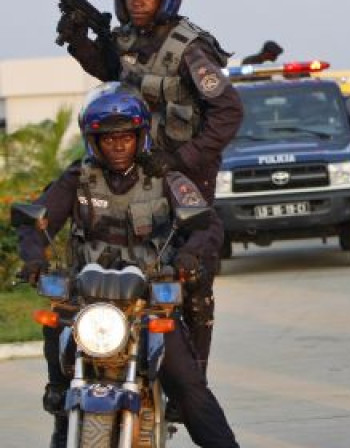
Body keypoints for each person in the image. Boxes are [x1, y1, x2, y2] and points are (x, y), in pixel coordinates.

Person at [17, 82, 239, 448]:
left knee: (188, 385)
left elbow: (207, 222)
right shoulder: (78, 179)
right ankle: (59, 395)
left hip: (149, 301)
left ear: (140, 137)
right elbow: (36, 220)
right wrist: (34, 259)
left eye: (125, 137)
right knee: (59, 335)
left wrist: (190, 255)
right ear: (94, 141)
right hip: (90, 299)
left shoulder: (166, 176)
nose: (118, 145)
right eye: (108, 138)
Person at [56, 0, 244, 386]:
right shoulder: (125, 39)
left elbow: (228, 111)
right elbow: (111, 72)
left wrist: (181, 160)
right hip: (127, 168)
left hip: (184, 178)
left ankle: (191, 383)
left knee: (193, 274)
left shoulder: (190, 47)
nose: (137, 1)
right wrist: (79, 39)